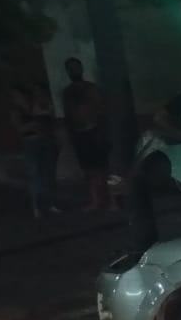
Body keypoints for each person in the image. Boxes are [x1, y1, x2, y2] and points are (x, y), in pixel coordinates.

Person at [61, 57, 110, 212]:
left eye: (76, 68)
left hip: (94, 131)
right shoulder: (68, 92)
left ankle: (107, 199)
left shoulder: (91, 89)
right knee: (88, 169)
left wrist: (102, 131)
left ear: (81, 69)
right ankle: (96, 200)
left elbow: (101, 110)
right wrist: (70, 134)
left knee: (101, 169)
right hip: (79, 134)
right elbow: (68, 114)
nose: (73, 71)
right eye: (70, 69)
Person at [12, 81, 60, 218]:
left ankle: (50, 203)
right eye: (15, 96)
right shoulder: (17, 111)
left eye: (18, 95)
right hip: (31, 143)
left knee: (49, 174)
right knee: (35, 175)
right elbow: (20, 129)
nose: (17, 98)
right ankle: (36, 206)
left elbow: (49, 122)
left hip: (46, 141)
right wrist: (33, 125)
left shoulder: (37, 105)